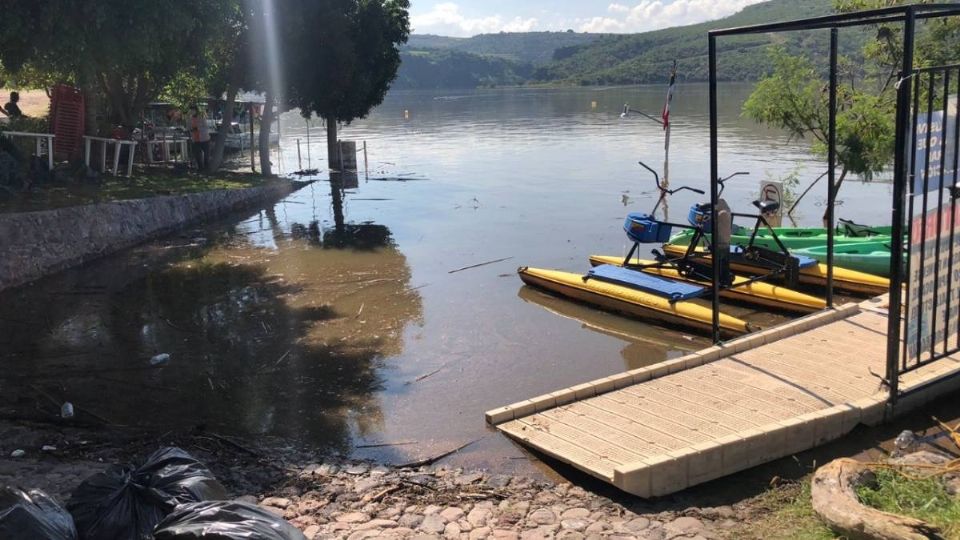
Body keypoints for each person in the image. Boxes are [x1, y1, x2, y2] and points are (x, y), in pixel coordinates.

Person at [189, 105, 210, 172]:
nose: (192, 112)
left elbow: (206, 127)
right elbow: (189, 127)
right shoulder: (190, 118)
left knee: (206, 154)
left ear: (196, 110)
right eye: (191, 110)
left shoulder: (201, 117)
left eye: (193, 110)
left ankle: (207, 168)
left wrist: (197, 128)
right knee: (197, 155)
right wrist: (190, 130)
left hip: (204, 138)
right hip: (195, 139)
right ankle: (200, 168)